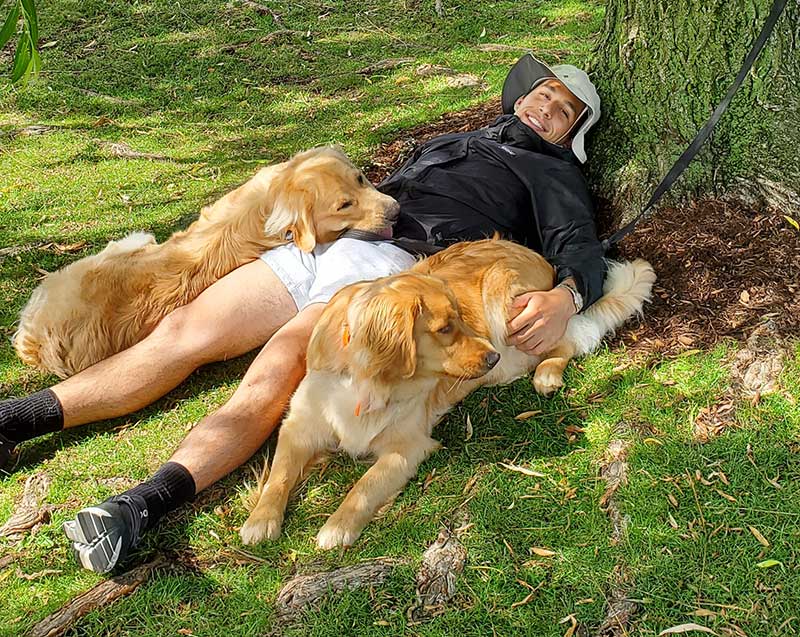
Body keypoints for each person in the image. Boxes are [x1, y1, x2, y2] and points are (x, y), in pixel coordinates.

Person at [0, 54, 606, 573]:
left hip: (393, 266)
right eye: (542, 94)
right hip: (326, 238)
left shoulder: (552, 172)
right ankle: (15, 420)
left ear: (569, 136)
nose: (545, 108)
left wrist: (567, 296)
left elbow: (578, 244)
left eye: (562, 111)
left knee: (281, 362)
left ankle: (139, 505)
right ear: (521, 95)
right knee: (182, 331)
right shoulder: (461, 137)